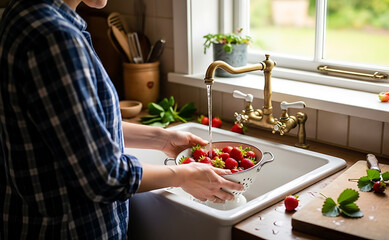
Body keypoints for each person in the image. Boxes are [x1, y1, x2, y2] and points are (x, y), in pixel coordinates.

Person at [0, 0, 243, 239]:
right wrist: (183, 175)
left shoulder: (24, 12)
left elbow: (75, 128)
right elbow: (102, 176)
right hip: (70, 228)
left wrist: (162, 138)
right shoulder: (56, 38)